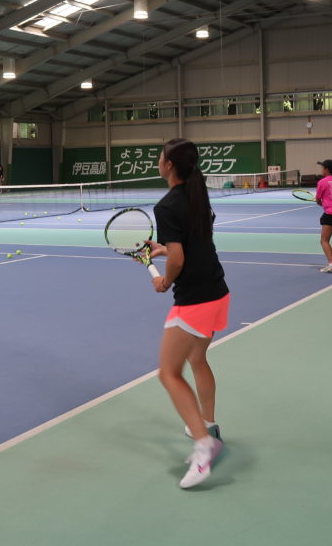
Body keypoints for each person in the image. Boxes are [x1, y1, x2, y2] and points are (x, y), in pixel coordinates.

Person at [145, 138, 228, 488]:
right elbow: (191, 245)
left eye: (160, 157)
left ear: (168, 165)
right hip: (218, 292)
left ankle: (204, 445)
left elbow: (179, 260)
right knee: (197, 359)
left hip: (194, 300)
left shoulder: (166, 205)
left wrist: (164, 280)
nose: (158, 161)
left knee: (168, 373)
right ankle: (207, 424)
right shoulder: (198, 195)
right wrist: (164, 248)